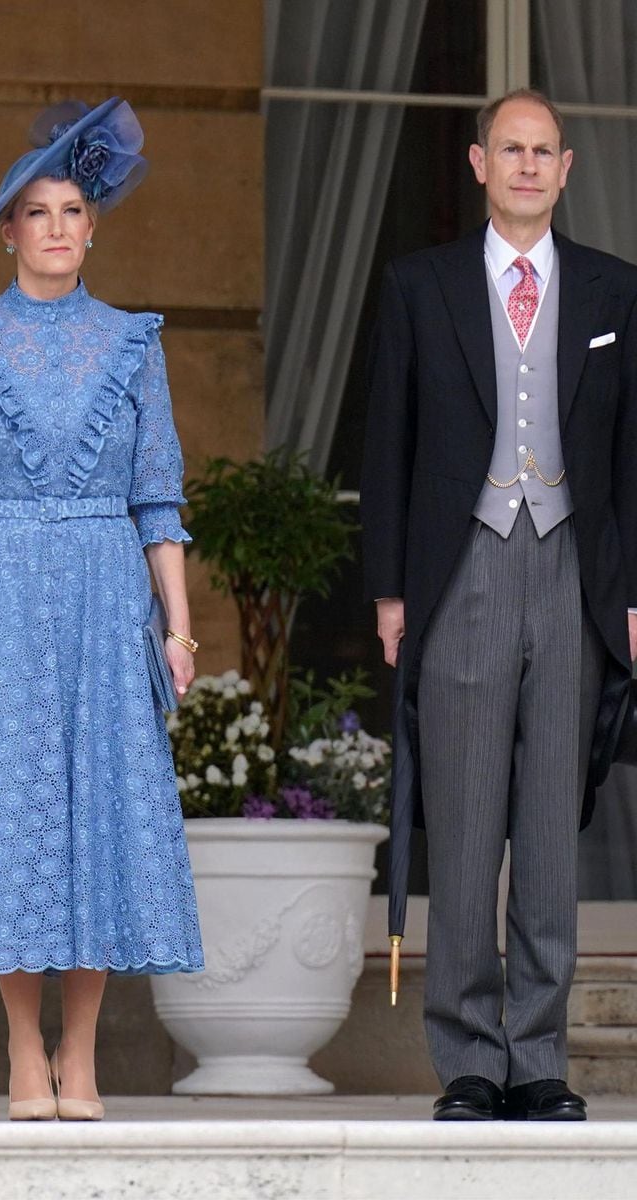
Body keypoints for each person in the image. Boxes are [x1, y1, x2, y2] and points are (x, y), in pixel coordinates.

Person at [0, 98, 203, 1120]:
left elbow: (158, 497)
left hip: (102, 588)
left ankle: (80, 1056)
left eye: (70, 208)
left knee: (102, 814)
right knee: (11, 815)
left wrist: (176, 624)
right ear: (7, 230)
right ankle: (19, 1053)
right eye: (33, 211)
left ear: (92, 227)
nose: (52, 227)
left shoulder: (134, 343)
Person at [361, 89, 637, 1122]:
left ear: (566, 169)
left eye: (544, 152)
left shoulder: (617, 292)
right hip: (463, 570)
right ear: (478, 163)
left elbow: (633, 458)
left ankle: (540, 1056)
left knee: (552, 835)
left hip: (574, 574)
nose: (527, 166)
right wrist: (390, 590)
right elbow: (385, 442)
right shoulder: (417, 286)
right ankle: (472, 1059)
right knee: (468, 825)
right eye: (509, 150)